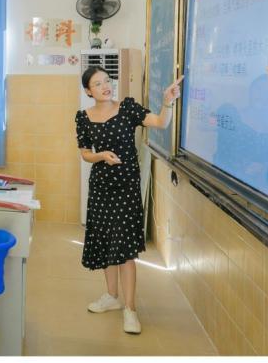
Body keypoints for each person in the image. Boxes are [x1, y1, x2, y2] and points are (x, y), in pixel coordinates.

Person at [75, 65, 183, 335]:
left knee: (124, 250)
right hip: (100, 187)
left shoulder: (128, 108)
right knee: (107, 243)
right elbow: (85, 153)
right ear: (89, 91)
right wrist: (102, 156)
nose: (105, 86)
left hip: (126, 188)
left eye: (107, 80)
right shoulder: (83, 117)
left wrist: (167, 102)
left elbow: (160, 122)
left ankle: (130, 309)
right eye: (98, 84)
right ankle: (111, 297)